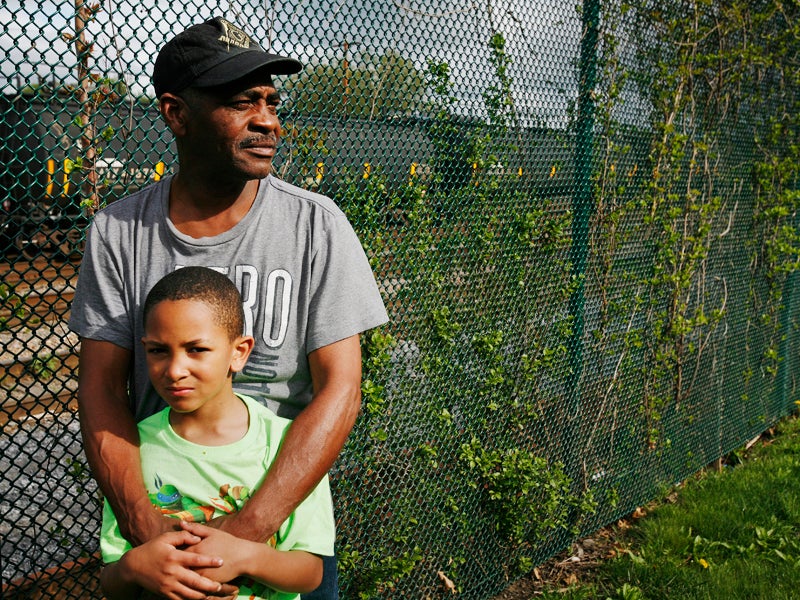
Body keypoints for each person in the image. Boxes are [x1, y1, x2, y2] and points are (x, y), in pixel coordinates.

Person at [69, 15, 388, 599]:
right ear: (176, 114)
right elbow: (101, 389)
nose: (267, 120)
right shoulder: (119, 231)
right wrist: (147, 533)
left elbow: (340, 388)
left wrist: (246, 535)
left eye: (271, 101)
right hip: (167, 533)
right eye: (242, 102)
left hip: (283, 536)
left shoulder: (316, 226)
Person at [101, 266, 335, 600]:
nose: (175, 370)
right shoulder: (130, 448)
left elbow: (310, 572)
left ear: (239, 352)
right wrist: (134, 567)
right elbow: (112, 580)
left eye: (196, 349)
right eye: (158, 350)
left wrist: (248, 556)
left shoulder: (286, 444)